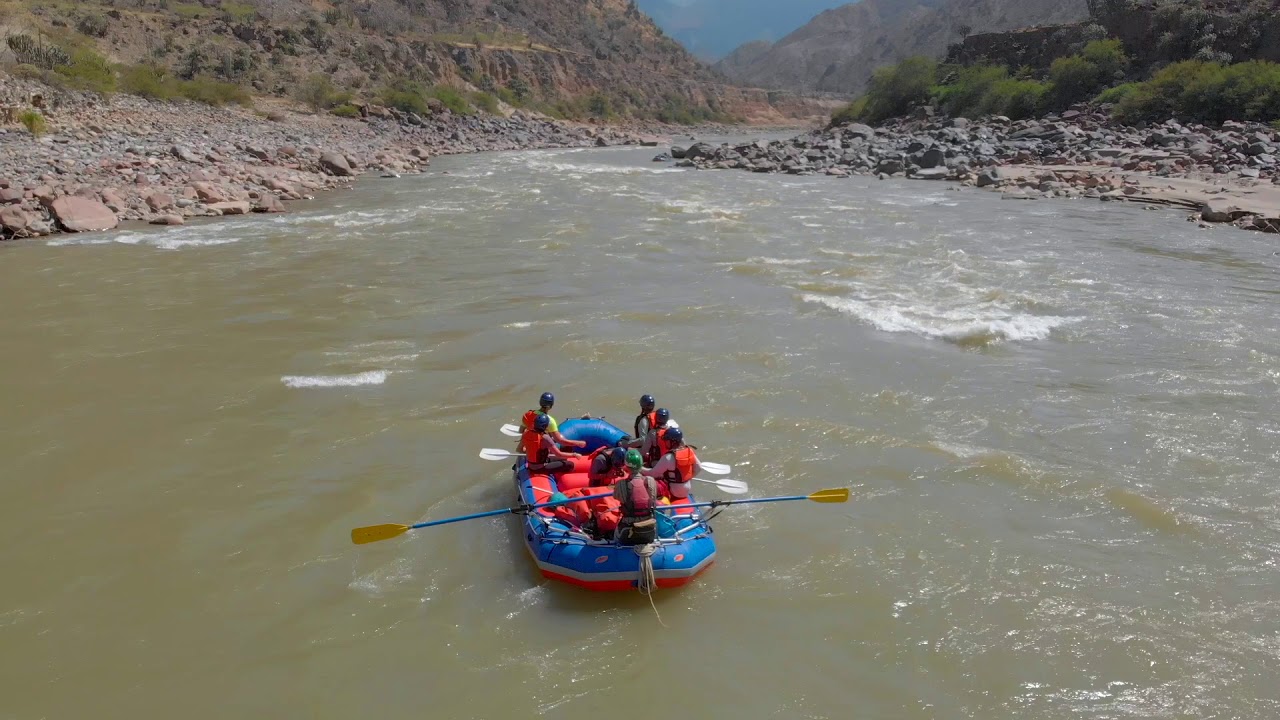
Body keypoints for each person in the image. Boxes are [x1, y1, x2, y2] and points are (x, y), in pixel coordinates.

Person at [613, 449, 658, 546]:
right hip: (649, 526)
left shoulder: (621, 484)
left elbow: (617, 497)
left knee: (614, 536)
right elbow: (653, 499)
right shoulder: (651, 481)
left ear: (627, 466)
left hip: (629, 527)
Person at [645, 426, 702, 500]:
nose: (665, 442)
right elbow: (699, 468)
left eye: (667, 440)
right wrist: (687, 478)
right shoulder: (689, 452)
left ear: (673, 442)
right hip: (687, 490)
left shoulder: (668, 457)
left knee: (647, 481)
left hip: (672, 492)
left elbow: (652, 473)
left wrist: (639, 469)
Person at [520, 392, 586, 450]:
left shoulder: (527, 415)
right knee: (566, 447)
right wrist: (578, 443)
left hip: (529, 444)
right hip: (541, 448)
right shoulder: (550, 421)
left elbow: (521, 430)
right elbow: (560, 441)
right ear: (550, 406)